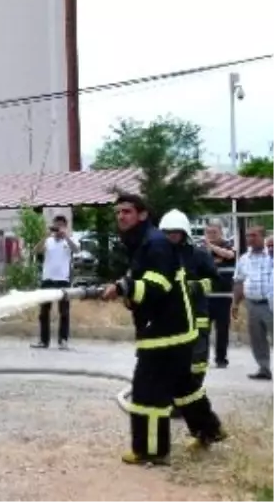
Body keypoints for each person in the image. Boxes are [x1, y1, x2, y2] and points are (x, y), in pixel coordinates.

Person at [101, 194, 197, 466]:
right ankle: (209, 431)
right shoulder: (141, 243)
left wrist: (123, 289)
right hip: (167, 328)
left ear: (143, 215)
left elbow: (157, 286)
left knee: (147, 392)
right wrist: (126, 288)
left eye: (127, 211)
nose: (121, 216)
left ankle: (152, 451)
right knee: (184, 388)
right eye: (118, 212)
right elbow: (140, 279)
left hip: (166, 332)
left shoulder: (155, 243)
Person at [158, 209, 226, 448]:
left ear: (184, 233)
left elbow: (215, 279)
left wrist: (191, 287)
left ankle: (206, 429)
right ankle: (203, 425)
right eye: (167, 233)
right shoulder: (161, 257)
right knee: (175, 375)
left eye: (175, 233)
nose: (171, 237)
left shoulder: (197, 255)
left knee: (193, 374)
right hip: (172, 324)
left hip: (196, 322)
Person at [231, 225, 274, 381]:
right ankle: (264, 368)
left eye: (254, 235)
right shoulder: (244, 258)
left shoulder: (271, 255)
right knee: (257, 338)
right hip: (252, 304)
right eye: (248, 235)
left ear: (263, 237)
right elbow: (239, 281)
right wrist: (235, 303)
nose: (250, 238)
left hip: (270, 304)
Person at [32, 214, 77, 350]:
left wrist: (66, 237)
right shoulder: (48, 241)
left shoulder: (69, 240)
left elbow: (77, 250)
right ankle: (43, 341)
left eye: (60, 225)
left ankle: (63, 340)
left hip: (63, 280)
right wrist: (46, 236)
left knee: (64, 312)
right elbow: (36, 251)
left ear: (65, 227)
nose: (58, 228)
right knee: (44, 312)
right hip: (47, 280)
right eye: (56, 225)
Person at [201, 221, 236, 368]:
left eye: (214, 232)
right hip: (206, 296)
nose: (211, 235)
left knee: (222, 330)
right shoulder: (202, 249)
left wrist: (212, 247)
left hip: (223, 296)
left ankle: (221, 359)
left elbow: (229, 255)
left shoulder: (228, 245)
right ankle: (202, 357)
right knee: (203, 329)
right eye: (208, 232)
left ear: (221, 232)